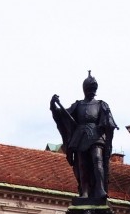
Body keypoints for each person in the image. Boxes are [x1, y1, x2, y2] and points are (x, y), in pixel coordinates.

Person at [49, 72, 118, 203]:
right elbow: (62, 115)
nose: (92, 92)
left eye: (94, 89)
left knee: (97, 159)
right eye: (90, 89)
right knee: (82, 164)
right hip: (80, 136)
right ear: (85, 89)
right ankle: (84, 191)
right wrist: (53, 105)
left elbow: (107, 121)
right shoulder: (78, 105)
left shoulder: (101, 104)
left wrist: (106, 124)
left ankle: (100, 189)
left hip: (96, 135)